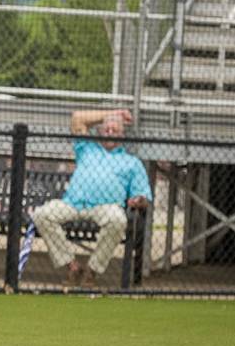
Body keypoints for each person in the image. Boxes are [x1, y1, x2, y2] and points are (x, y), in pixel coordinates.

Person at [32, 108, 151, 288]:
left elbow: (143, 196)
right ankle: (72, 267)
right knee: (42, 214)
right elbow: (77, 118)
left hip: (106, 207)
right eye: (106, 129)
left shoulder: (132, 162)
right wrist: (113, 114)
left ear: (123, 134)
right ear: (100, 131)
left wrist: (138, 201)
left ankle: (91, 271)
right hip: (72, 203)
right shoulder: (86, 148)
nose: (110, 132)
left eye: (115, 130)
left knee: (118, 219)